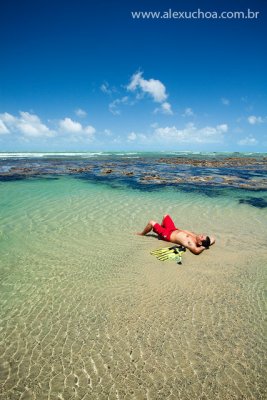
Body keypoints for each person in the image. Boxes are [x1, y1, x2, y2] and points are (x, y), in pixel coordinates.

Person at [137, 214, 215, 255]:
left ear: (200, 243)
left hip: (167, 235)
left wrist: (203, 247)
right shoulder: (196, 237)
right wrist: (208, 243)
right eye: (202, 235)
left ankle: (142, 234)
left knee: (151, 222)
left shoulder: (190, 243)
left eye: (202, 237)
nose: (201, 234)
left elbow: (196, 251)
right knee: (165, 216)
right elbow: (213, 239)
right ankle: (160, 231)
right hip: (173, 229)